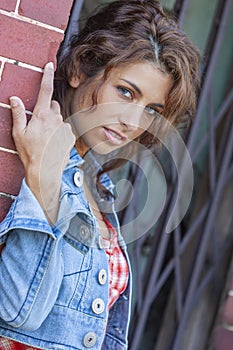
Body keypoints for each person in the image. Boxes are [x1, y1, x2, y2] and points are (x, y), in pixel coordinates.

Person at [0, 0, 200, 349]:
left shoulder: (99, 188)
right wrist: (44, 176)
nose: (133, 122)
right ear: (80, 69)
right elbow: (18, 312)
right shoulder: (42, 168)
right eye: (125, 92)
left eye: (151, 110)